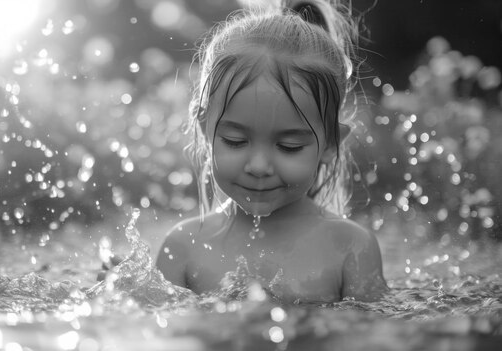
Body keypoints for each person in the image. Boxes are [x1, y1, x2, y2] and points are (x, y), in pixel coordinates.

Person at [153, 0, 388, 303]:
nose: (259, 166)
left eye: (289, 147)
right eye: (236, 141)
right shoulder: (184, 245)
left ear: (330, 144)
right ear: (205, 129)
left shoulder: (350, 247)